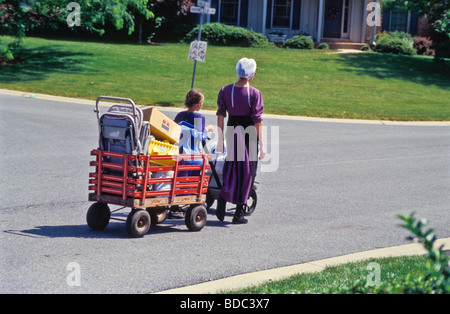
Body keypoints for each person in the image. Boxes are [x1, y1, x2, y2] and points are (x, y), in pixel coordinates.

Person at [215, 57, 266, 224]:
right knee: (248, 172)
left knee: (232, 166)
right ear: (252, 75)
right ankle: (238, 213)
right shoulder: (254, 94)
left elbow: (221, 115)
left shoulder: (225, 90)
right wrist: (262, 145)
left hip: (232, 129)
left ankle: (224, 194)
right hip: (248, 132)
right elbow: (257, 121)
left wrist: (220, 139)